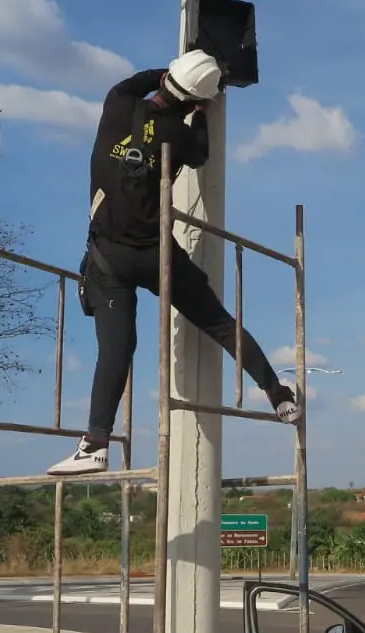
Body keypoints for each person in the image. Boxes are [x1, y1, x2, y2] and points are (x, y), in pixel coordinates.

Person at [48, 50, 298, 477]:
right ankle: (279, 396)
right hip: (157, 255)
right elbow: (200, 152)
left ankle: (95, 444)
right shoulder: (178, 137)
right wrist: (202, 111)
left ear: (164, 79)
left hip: (108, 260)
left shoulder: (116, 105)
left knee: (117, 348)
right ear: (193, 99)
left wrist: (170, 74)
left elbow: (133, 83)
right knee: (218, 321)